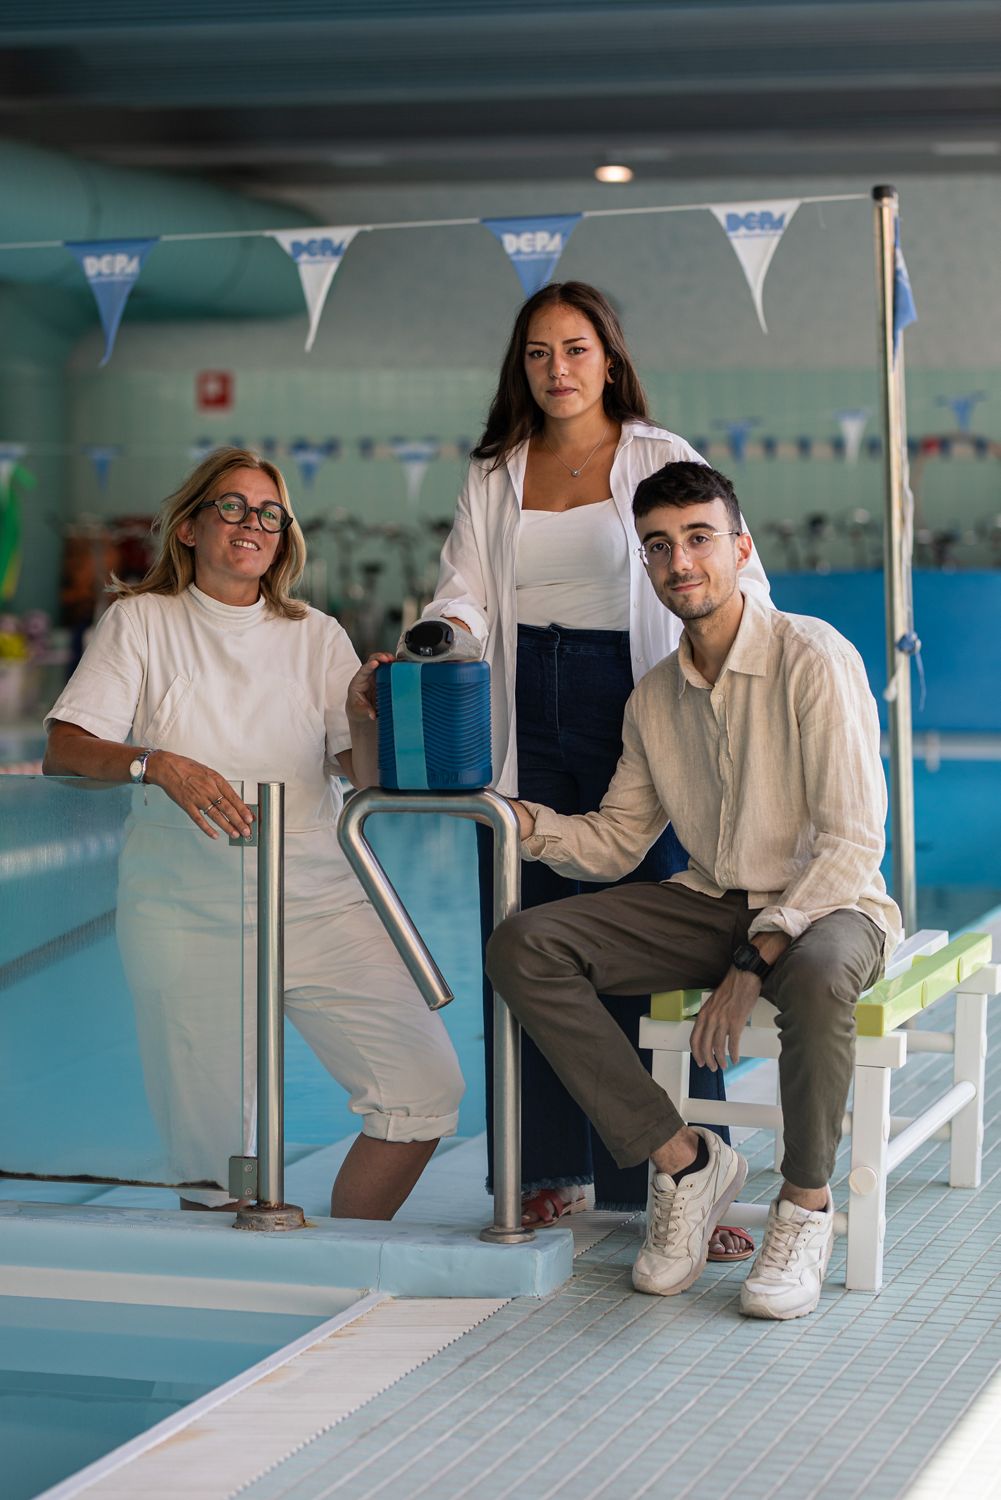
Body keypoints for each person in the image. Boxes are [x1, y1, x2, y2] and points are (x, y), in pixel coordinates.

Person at [486, 461, 901, 1318]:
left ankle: (805, 1206)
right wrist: (526, 823)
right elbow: (613, 841)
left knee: (818, 977)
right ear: (646, 565)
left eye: (699, 539)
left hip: (833, 904)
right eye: (660, 546)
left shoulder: (812, 657)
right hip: (711, 901)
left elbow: (853, 839)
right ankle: (682, 1159)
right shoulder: (653, 701)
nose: (681, 562)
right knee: (527, 944)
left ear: (739, 548)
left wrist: (752, 961)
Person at [422, 281, 769, 1252]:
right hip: (522, 705)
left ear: (607, 358)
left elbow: (730, 572)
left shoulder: (661, 457)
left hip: (640, 703)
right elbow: (463, 594)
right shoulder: (496, 471)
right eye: (537, 354)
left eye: (573, 350)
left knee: (651, 939)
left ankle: (678, 1176)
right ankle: (545, 1172)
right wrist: (438, 635)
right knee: (531, 934)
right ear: (518, 368)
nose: (556, 370)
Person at [43, 447, 464, 1219]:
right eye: (232, 507)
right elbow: (66, 747)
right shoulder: (143, 623)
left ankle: (341, 1260)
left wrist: (371, 713)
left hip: (317, 899)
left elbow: (361, 776)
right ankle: (236, 1276)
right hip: (184, 910)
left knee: (423, 1089)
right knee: (211, 1161)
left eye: (269, 513)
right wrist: (157, 763)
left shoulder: (315, 635)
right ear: (192, 528)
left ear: (284, 536)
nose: (252, 524)